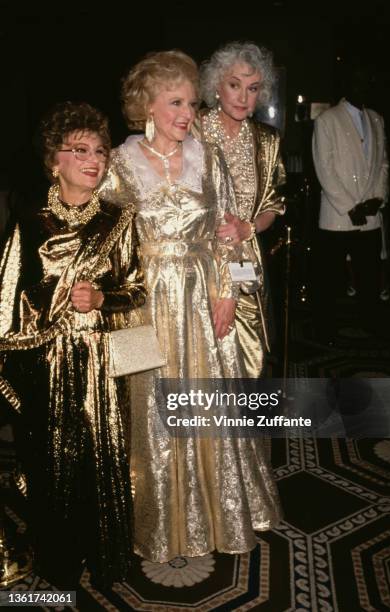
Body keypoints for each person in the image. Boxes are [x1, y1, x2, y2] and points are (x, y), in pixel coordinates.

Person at [100, 50, 282, 563]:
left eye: (192, 102)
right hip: (144, 303)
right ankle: (159, 525)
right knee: (150, 410)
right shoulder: (119, 163)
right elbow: (102, 241)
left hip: (205, 299)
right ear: (148, 107)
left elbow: (228, 234)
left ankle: (221, 516)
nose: (186, 112)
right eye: (175, 102)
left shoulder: (207, 156)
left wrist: (227, 291)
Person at [0, 102, 146, 587]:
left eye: (101, 151)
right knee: (51, 462)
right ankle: (59, 562)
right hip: (44, 361)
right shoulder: (29, 222)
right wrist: (50, 309)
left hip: (100, 360)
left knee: (102, 458)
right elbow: (6, 301)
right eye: (79, 150)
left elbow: (140, 287)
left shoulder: (120, 219)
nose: (95, 159)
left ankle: (106, 559)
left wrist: (104, 297)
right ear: (53, 160)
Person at [197, 41, 286, 377]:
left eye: (253, 89)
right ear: (216, 85)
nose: (243, 97)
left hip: (246, 260)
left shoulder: (267, 140)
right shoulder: (193, 128)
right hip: (199, 257)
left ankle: (243, 426)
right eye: (234, 85)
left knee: (250, 355)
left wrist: (249, 228)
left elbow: (274, 206)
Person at [312, 63, 389, 343]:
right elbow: (324, 167)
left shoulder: (377, 119)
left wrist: (376, 199)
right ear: (346, 84)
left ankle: (371, 325)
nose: (362, 85)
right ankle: (325, 330)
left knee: (369, 277)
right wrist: (350, 207)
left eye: (367, 80)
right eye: (356, 80)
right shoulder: (327, 120)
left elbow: (382, 165)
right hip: (338, 214)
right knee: (330, 279)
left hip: (369, 214)